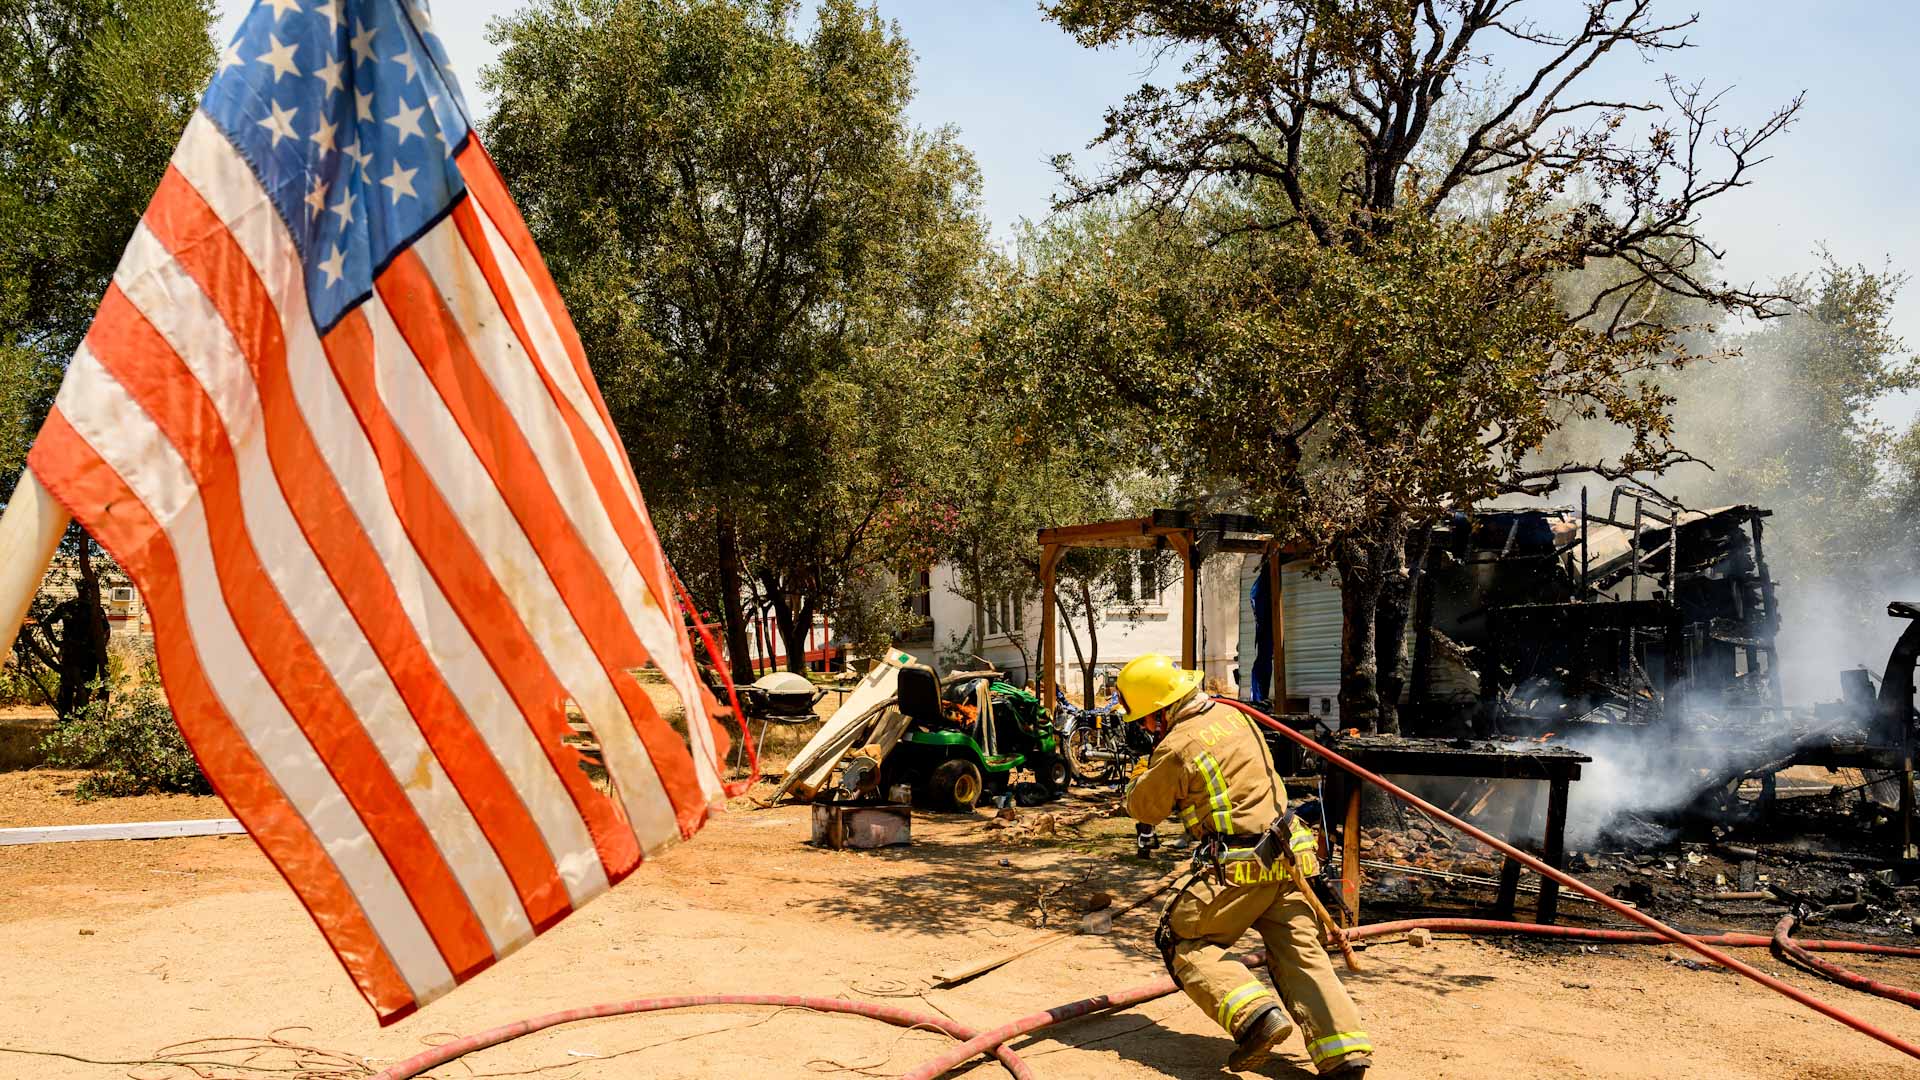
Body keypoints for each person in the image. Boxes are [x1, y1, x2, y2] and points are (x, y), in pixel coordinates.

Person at [1118, 653, 1371, 1075]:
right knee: (1300, 953)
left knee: (1181, 939)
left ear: (1160, 711)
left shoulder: (1177, 747)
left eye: (1144, 719)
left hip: (1239, 869)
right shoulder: (1236, 716)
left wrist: (1140, 777)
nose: (1144, 728)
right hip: (1292, 858)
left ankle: (1255, 1018)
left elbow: (1145, 808)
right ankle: (1344, 1054)